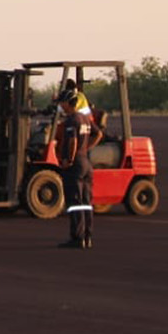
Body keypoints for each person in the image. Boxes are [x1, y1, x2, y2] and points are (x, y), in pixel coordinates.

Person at [54, 89, 96, 249]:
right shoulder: (85, 118)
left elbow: (71, 141)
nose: (61, 106)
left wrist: (69, 160)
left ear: (68, 103)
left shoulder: (72, 120)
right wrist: (86, 148)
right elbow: (98, 134)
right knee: (86, 202)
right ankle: (88, 236)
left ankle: (77, 238)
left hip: (75, 165)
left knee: (75, 202)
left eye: (62, 103)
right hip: (86, 163)